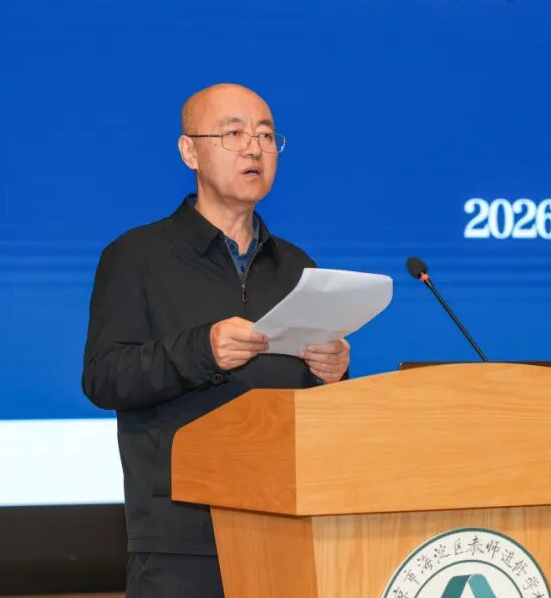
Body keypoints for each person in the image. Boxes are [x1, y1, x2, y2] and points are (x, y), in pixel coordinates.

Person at [82, 83, 350, 597]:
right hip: (181, 539)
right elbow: (104, 376)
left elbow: (313, 415)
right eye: (234, 133)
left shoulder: (298, 267)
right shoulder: (137, 255)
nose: (254, 148)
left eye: (266, 136)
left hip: (287, 526)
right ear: (190, 152)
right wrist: (202, 351)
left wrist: (332, 373)